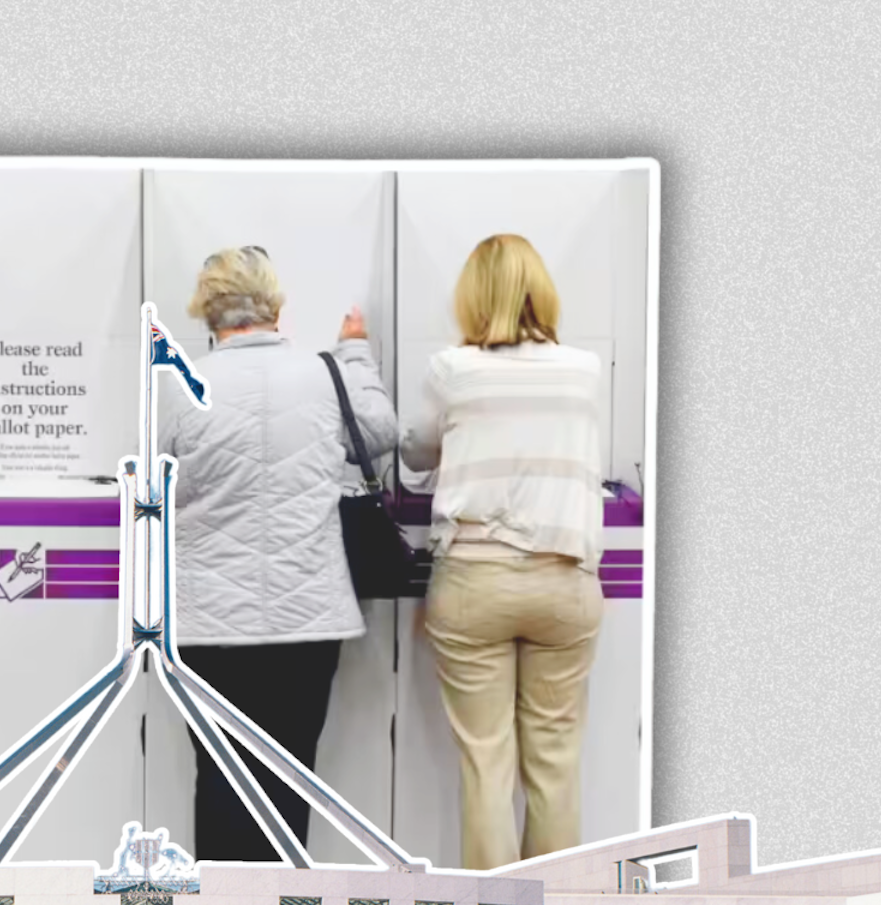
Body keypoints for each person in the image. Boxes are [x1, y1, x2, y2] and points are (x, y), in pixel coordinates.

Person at [156, 245, 397, 862]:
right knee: (290, 776)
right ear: (274, 303)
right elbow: (381, 433)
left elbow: (153, 484)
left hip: (210, 626)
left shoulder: (181, 386)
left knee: (219, 775)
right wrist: (355, 352)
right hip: (306, 623)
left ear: (206, 308)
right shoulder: (323, 376)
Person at [400, 234, 606, 871]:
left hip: (475, 581)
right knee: (556, 763)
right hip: (566, 581)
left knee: (486, 765)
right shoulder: (584, 370)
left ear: (473, 297)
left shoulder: (453, 370)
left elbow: (415, 454)